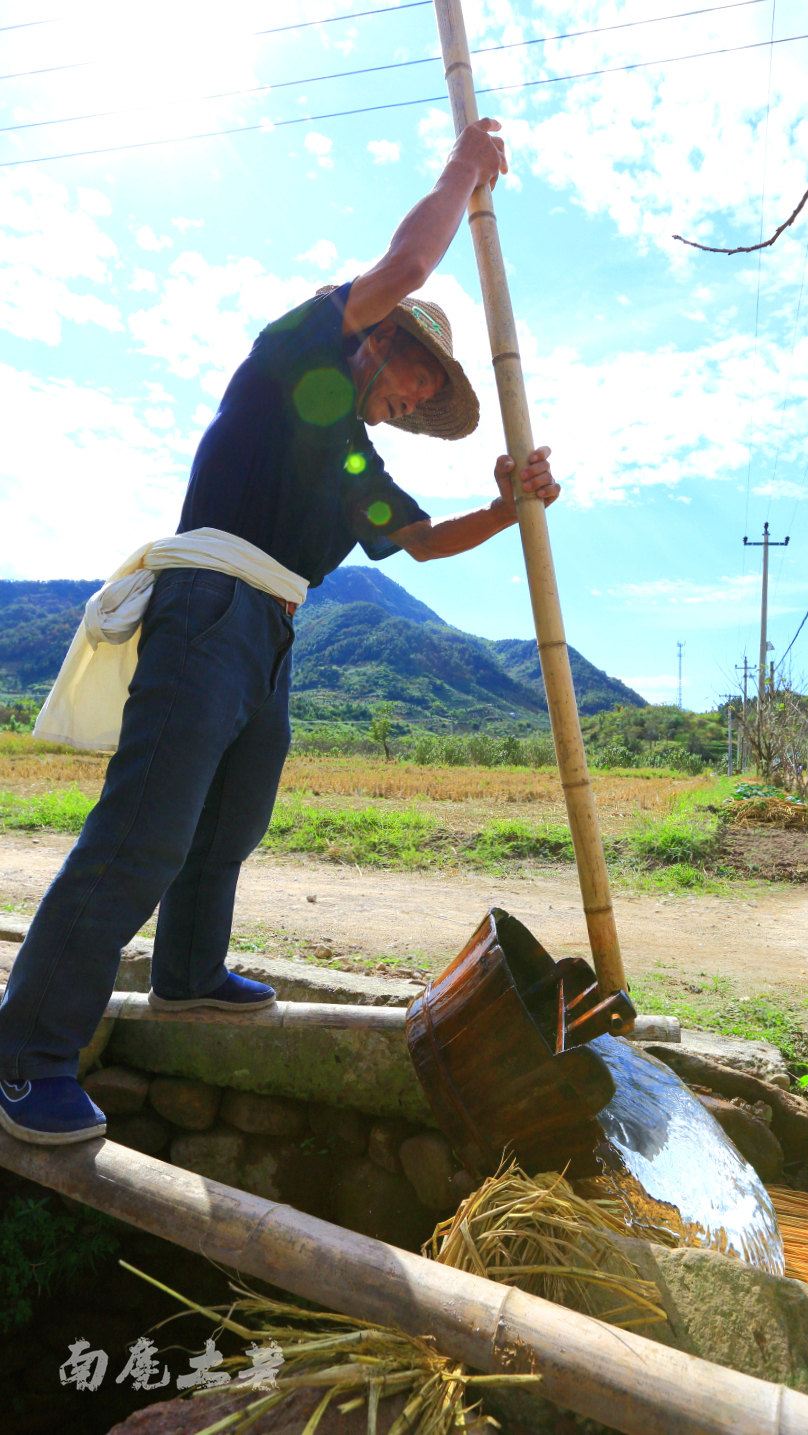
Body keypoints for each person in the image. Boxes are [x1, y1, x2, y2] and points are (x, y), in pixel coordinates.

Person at [0, 118, 559, 1146]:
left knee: (229, 825)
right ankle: (26, 1051)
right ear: (376, 338)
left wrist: (511, 503)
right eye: (413, 374)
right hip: (208, 607)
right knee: (142, 836)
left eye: (426, 397)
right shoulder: (292, 355)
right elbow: (408, 261)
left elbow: (425, 541)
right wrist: (463, 169)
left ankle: (188, 973)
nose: (410, 399)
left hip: (270, 634)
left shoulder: (351, 460)